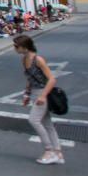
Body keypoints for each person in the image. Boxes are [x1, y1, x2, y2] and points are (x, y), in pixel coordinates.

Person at [14, 35, 64, 165]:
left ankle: (49, 150)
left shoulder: (38, 60)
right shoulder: (24, 59)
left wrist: (42, 96)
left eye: (16, 46)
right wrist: (26, 94)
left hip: (43, 92)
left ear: (24, 47)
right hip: (36, 93)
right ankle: (58, 152)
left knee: (34, 120)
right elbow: (30, 78)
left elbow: (52, 79)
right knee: (47, 123)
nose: (14, 48)